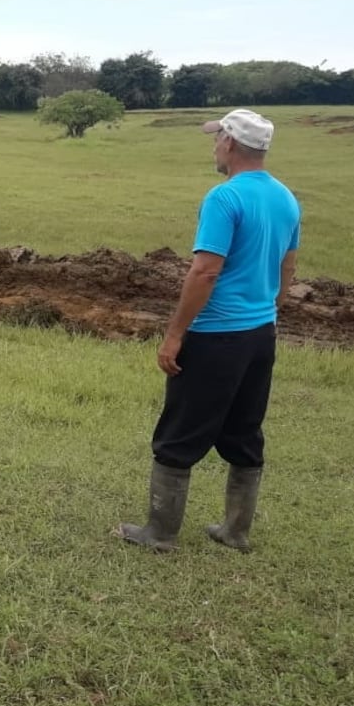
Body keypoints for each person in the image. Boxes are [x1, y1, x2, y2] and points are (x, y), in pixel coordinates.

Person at [117, 108, 301, 553]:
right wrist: (267, 309)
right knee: (243, 431)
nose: (214, 145)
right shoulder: (285, 198)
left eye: (217, 138)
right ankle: (235, 531)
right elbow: (287, 268)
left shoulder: (224, 198)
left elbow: (204, 272)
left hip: (217, 336)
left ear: (231, 144)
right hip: (261, 336)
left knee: (181, 430)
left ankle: (160, 534)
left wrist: (175, 333)